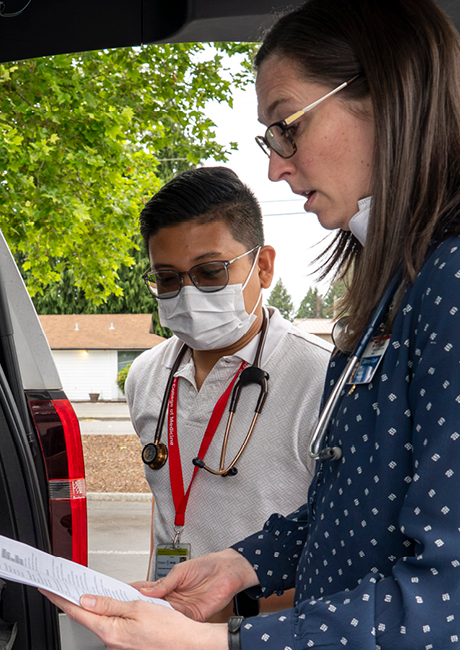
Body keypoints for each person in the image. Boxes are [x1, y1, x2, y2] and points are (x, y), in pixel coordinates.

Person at [44, 1, 460, 649]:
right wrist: (242, 563)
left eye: (287, 127)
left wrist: (215, 644)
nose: (275, 166)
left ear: (389, 94)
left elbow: (452, 597)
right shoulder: (403, 281)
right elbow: (358, 503)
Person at [124, 167, 332, 615]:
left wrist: (230, 614)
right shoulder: (145, 376)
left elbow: (346, 548)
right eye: (168, 278)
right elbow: (168, 517)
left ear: (264, 266)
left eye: (211, 272)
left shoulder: (323, 380)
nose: (188, 294)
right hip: (173, 633)